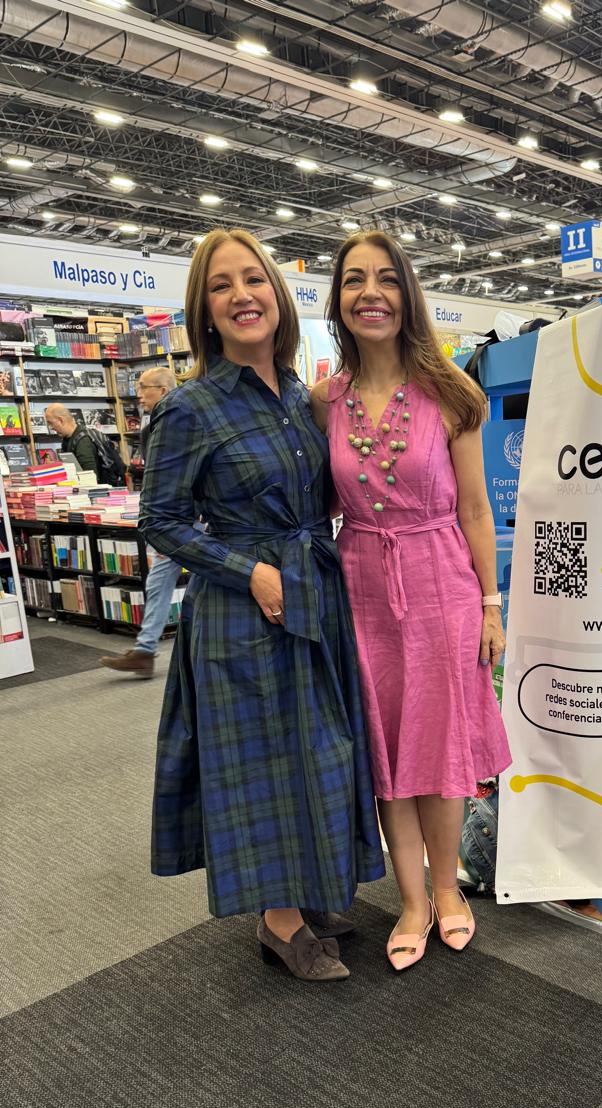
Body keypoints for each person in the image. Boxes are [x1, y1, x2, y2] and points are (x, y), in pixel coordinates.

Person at [140, 227, 384, 981]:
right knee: (265, 762)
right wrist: (248, 571)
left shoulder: (300, 397)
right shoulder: (191, 406)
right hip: (245, 612)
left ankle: (308, 894)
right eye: (222, 286)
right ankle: (279, 922)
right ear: (205, 311)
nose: (242, 295)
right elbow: (161, 520)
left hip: (315, 590)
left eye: (254, 280)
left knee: (320, 748)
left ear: (277, 297)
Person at [311, 230, 511, 971]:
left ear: (408, 294)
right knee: (389, 751)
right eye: (355, 279)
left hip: (442, 584)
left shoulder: (452, 392)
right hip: (360, 583)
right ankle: (413, 900)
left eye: (386, 279)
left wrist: (492, 603)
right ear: (337, 299)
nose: (371, 292)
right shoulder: (321, 400)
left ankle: (450, 891)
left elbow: (477, 512)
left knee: (442, 748)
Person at [99, 367, 180, 678]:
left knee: (165, 579)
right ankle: (145, 649)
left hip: (183, 518)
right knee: (166, 580)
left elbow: (175, 477)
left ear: (162, 389)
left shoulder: (175, 422)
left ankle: (147, 650)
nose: (140, 394)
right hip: (178, 518)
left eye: (145, 387)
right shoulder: (152, 426)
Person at [44, 404, 98, 475]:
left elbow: (91, 476)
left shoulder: (83, 441)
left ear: (61, 420)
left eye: (51, 423)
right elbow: (72, 468)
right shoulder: (68, 438)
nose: (51, 427)